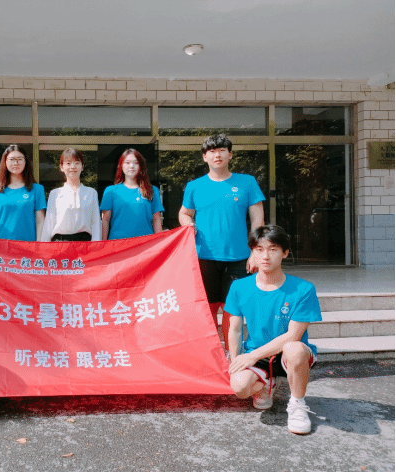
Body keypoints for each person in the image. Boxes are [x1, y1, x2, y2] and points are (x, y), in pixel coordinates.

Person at [226, 225, 321, 435]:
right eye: (259, 249)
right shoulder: (239, 287)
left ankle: (297, 404)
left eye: (273, 249)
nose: (265, 256)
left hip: (290, 355)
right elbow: (235, 329)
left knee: (295, 348)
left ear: (285, 253)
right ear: (252, 252)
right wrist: (236, 360)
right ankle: (267, 384)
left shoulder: (303, 289)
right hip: (257, 354)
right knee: (239, 386)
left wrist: (251, 357)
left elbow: (293, 336)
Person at [178, 134, 264, 348]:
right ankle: (209, 352)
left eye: (222, 151)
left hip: (239, 257)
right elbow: (184, 213)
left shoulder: (247, 182)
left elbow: (257, 220)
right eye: (212, 152)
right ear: (205, 157)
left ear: (230, 154)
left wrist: (255, 252)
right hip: (203, 256)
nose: (217, 155)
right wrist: (188, 223)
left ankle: (230, 352)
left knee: (232, 309)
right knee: (206, 308)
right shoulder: (195, 186)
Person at [0, 144, 46, 241]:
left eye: (20, 159)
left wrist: (39, 245)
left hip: (28, 245)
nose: (16, 163)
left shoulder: (37, 189)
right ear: (5, 162)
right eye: (12, 159)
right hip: (1, 246)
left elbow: (40, 221)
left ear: (26, 162)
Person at [100, 149, 163, 240]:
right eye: (127, 162)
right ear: (121, 166)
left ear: (141, 166)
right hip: (118, 244)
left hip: (145, 244)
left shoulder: (152, 190)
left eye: (136, 163)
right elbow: (105, 220)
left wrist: (160, 243)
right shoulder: (110, 191)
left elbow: (156, 219)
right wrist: (103, 244)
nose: (131, 166)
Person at [40, 148, 102, 242]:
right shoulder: (55, 194)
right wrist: (44, 247)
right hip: (60, 244)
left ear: (82, 166)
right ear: (61, 167)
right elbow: (49, 224)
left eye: (77, 163)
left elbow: (96, 223)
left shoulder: (91, 193)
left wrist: (96, 246)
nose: (73, 167)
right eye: (68, 163)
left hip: (84, 243)